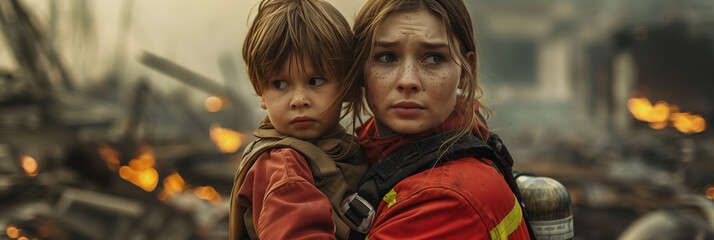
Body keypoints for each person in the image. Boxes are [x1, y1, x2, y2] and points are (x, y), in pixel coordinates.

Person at [339, 0, 532, 239]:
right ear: (359, 68)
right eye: (387, 57)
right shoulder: (359, 152)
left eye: (434, 58)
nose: (408, 80)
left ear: (466, 70)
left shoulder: (448, 200)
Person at [228, 0, 367, 239]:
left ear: (345, 85)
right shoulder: (283, 167)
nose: (299, 100)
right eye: (280, 84)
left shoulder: (341, 146)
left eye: (315, 81)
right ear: (262, 94)